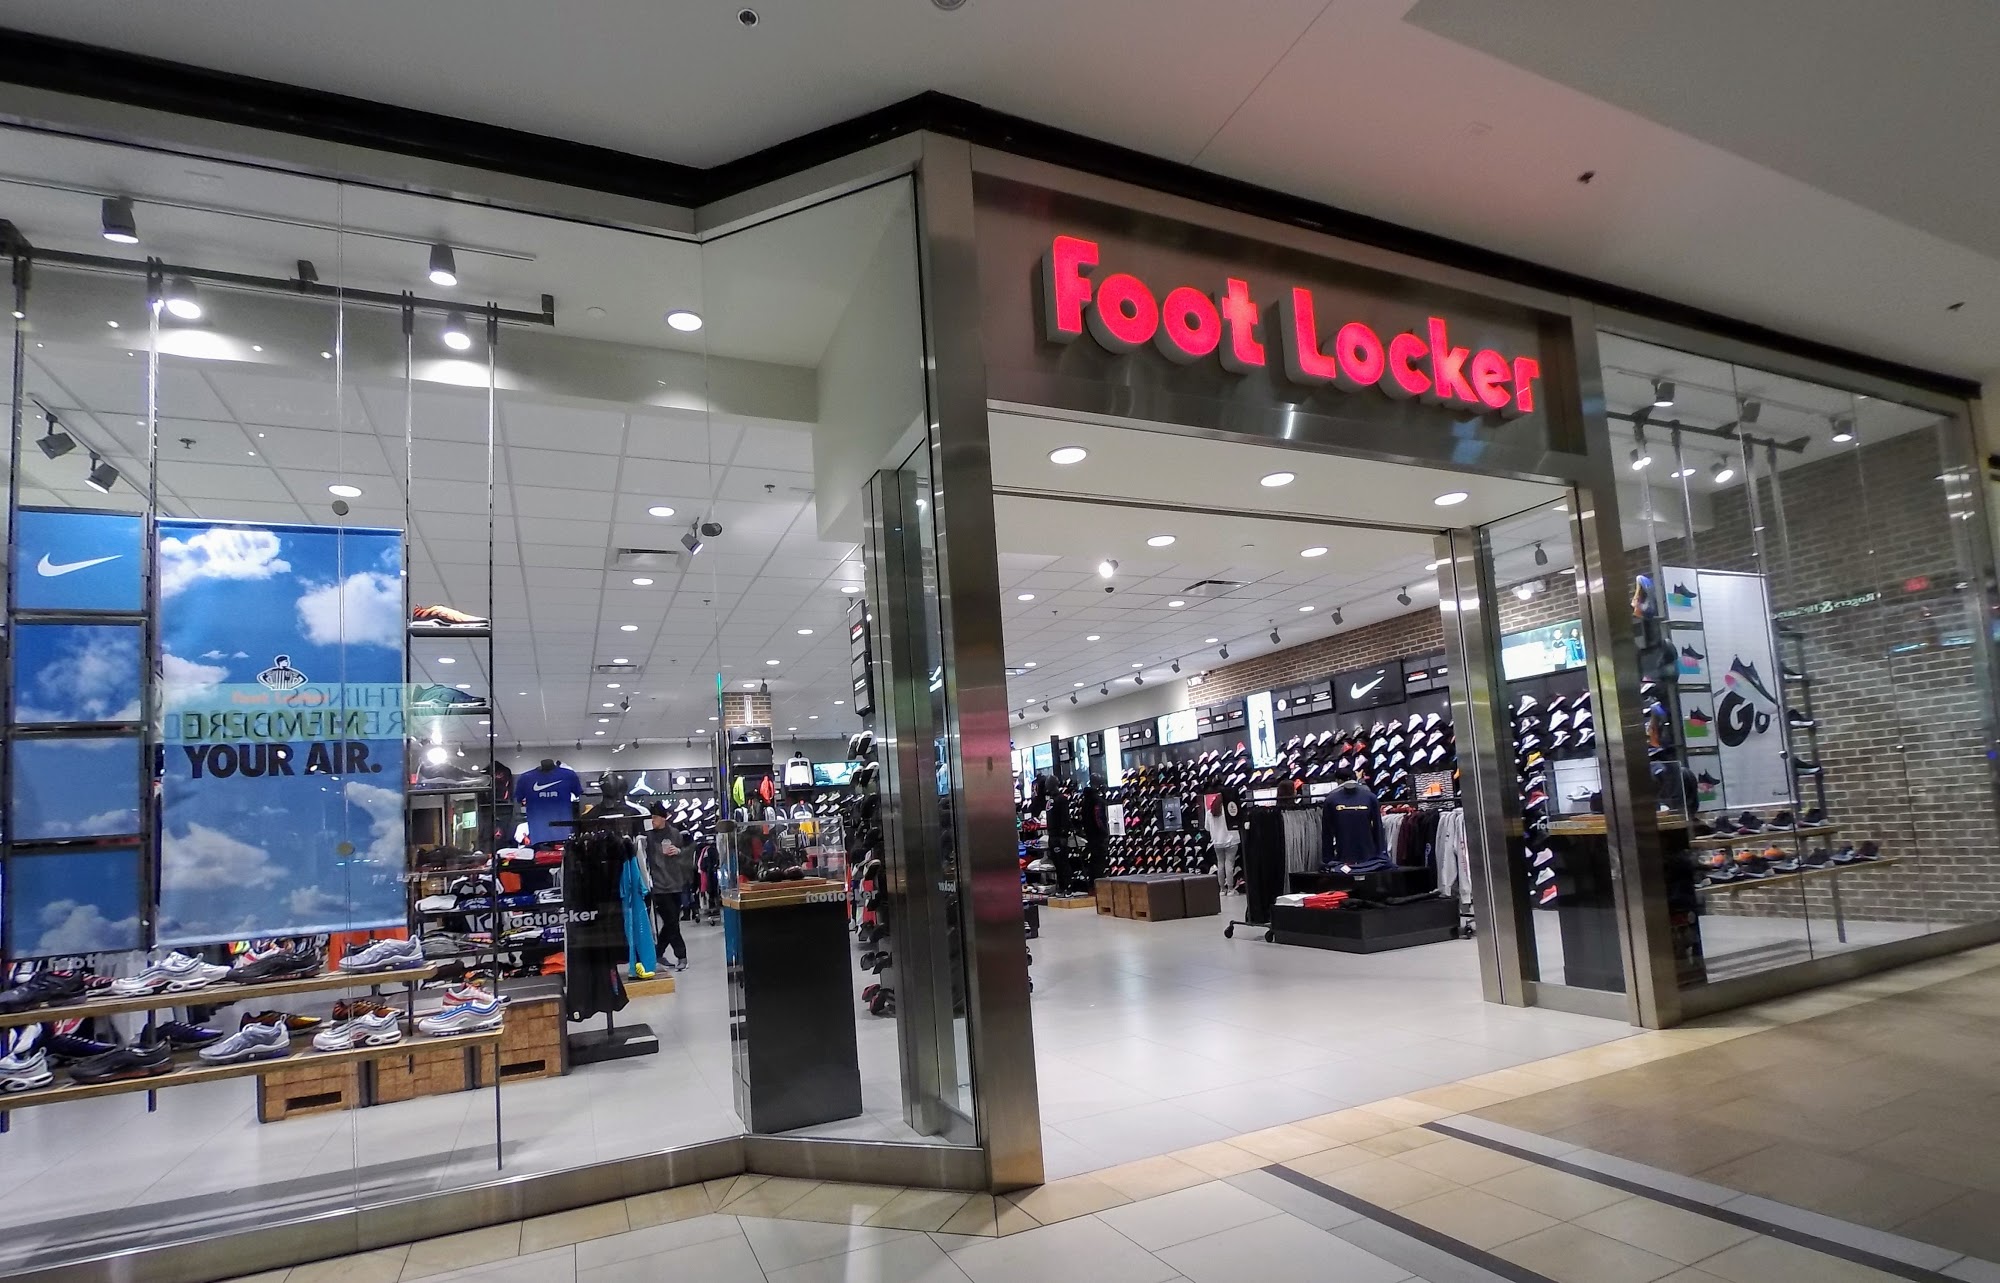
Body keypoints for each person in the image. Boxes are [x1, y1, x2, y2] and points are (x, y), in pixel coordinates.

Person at [644, 803, 691, 971]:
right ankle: (681, 955)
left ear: (663, 818)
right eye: (651, 817)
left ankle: (658, 953)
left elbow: (685, 853)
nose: (653, 820)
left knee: (671, 922)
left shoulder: (675, 833)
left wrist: (678, 851)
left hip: (675, 884)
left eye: (655, 817)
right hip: (659, 886)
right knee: (671, 921)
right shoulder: (648, 837)